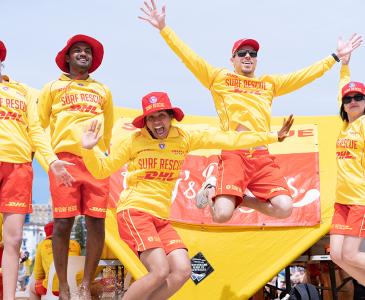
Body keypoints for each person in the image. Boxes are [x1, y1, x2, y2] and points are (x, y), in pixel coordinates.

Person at [139, 0, 363, 223]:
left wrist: (335, 58)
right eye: (242, 53)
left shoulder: (269, 84)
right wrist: (164, 30)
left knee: (285, 208)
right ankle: (210, 189)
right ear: (233, 59)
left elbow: (303, 75)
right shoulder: (219, 78)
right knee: (221, 216)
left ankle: (240, 198)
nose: (248, 57)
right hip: (234, 153)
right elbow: (189, 58)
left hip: (261, 157)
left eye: (253, 54)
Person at [80, 91, 293, 300]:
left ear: (171, 117)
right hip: (135, 211)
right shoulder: (133, 141)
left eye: (161, 115)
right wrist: (88, 149)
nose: (157, 122)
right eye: (151, 118)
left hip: (161, 218)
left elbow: (227, 138)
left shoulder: (184, 137)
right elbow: (101, 170)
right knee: (160, 271)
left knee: (183, 271)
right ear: (145, 122)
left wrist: (272, 136)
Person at [37, 34, 114, 300]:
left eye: (88, 51)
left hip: (95, 162)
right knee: (62, 224)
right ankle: (65, 288)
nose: (83, 54)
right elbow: (37, 128)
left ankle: (85, 286)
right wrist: (51, 161)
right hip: (65, 161)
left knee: (96, 222)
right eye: (77, 50)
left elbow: (109, 131)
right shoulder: (51, 88)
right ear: (67, 57)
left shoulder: (103, 90)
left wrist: (105, 158)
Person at [0, 40, 74, 300]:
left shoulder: (23, 91)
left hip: (18, 166)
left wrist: (52, 161)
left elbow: (36, 129)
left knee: (14, 239)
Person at [329, 54, 365, 287]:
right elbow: (344, 87)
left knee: (351, 255)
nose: (352, 100)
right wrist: (344, 64)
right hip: (342, 201)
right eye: (348, 99)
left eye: (358, 97)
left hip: (360, 199)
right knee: (336, 256)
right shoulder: (345, 126)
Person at [29, 221, 81, 299]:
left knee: (32, 287)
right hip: (78, 285)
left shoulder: (42, 245)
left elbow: (38, 275)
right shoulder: (75, 244)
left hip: (55, 288)